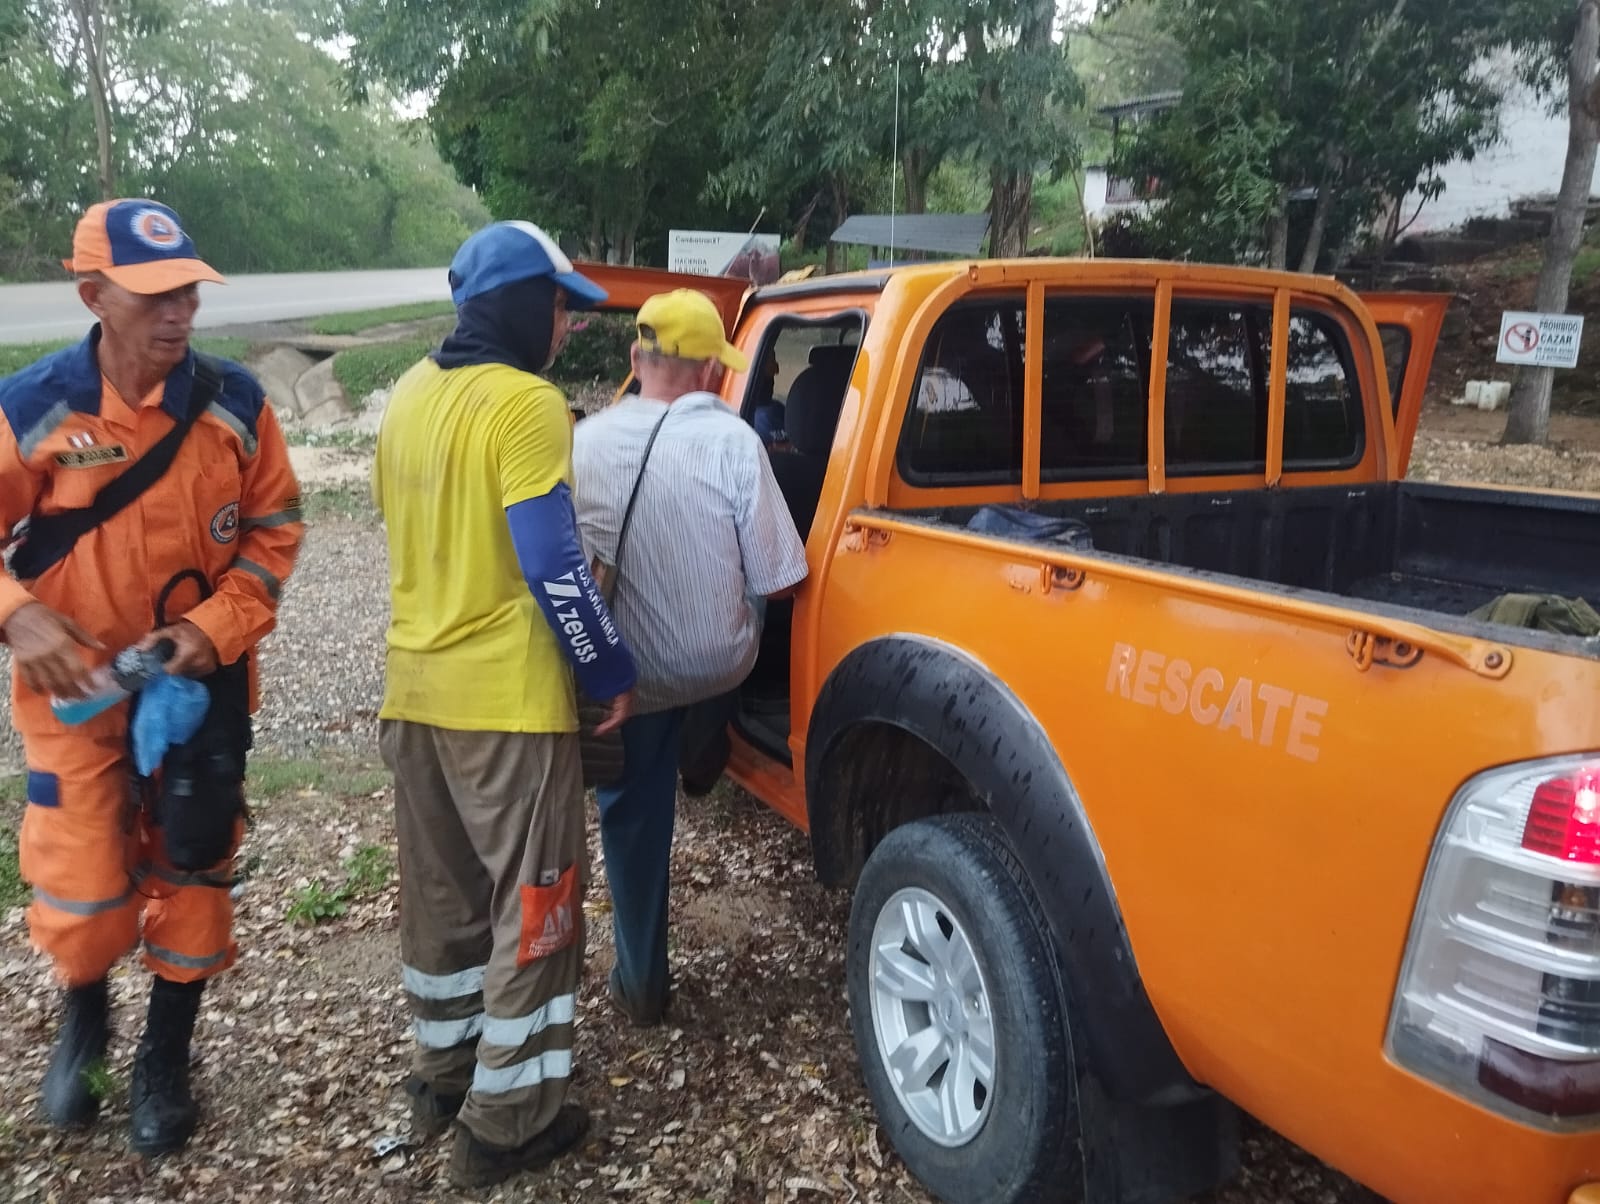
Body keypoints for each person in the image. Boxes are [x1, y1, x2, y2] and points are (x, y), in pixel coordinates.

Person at [0, 199, 304, 1155]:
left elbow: (276, 531)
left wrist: (213, 630)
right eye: (153, 297)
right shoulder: (34, 410)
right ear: (92, 294)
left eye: (188, 294)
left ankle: (165, 1058)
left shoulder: (235, 406)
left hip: (198, 689)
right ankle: (84, 1020)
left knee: (196, 855)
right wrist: (19, 614)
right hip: (78, 696)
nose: (177, 314)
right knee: (84, 884)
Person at [373, 220, 637, 1189]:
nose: (566, 327)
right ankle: (508, 1120)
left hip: (414, 693)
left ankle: (443, 1073)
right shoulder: (526, 404)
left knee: (443, 900)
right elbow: (552, 563)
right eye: (561, 307)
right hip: (507, 708)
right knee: (538, 908)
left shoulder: (407, 393)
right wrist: (609, 671)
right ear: (523, 304)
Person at [571, 288, 808, 1027]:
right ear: (711, 370)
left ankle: (641, 980)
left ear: (636, 360)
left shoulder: (583, 443)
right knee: (745, 621)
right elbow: (784, 577)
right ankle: (710, 744)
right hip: (717, 666)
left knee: (633, 816)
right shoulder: (735, 441)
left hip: (626, 680)